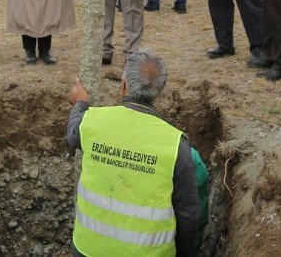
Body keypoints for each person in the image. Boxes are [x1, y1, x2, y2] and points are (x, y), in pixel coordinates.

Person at [66, 50, 201, 256]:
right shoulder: (175, 144)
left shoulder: (93, 121)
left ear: (124, 85)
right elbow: (187, 214)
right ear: (159, 91)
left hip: (88, 249)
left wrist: (81, 104)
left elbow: (73, 134)